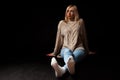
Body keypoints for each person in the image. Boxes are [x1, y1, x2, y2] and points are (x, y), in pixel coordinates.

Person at [47, 4, 95, 78]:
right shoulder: (62, 23)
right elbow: (58, 39)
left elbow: (84, 37)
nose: (69, 13)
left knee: (72, 58)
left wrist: (87, 50)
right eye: (67, 11)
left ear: (75, 12)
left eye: (71, 11)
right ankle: (70, 69)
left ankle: (62, 70)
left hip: (79, 48)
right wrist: (55, 52)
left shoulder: (80, 22)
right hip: (65, 48)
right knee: (68, 54)